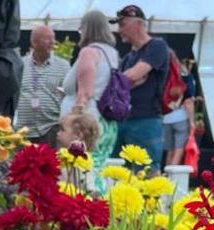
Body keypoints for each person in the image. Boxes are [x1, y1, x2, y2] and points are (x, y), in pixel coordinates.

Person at [59, 10, 121, 173]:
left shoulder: (89, 52)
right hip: (107, 120)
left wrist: (72, 119)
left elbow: (86, 91)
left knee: (79, 170)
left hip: (87, 120)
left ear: (87, 28)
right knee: (99, 168)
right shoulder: (112, 54)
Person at [112, 5, 170, 166]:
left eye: (123, 24)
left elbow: (131, 76)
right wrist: (127, 81)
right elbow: (122, 83)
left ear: (138, 24)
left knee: (147, 173)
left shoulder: (157, 46)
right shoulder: (128, 58)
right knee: (118, 174)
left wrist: (126, 81)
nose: (119, 30)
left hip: (147, 120)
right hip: (125, 120)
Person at [15, 25, 72, 146]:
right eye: (47, 39)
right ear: (34, 43)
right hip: (24, 131)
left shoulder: (64, 66)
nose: (52, 42)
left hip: (51, 129)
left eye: (53, 38)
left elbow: (70, 96)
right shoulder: (20, 65)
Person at [162, 57, 197, 167]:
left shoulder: (166, 77)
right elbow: (188, 102)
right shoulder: (187, 78)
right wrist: (192, 121)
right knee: (179, 150)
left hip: (166, 118)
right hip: (181, 118)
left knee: (170, 150)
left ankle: (166, 175)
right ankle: (171, 178)